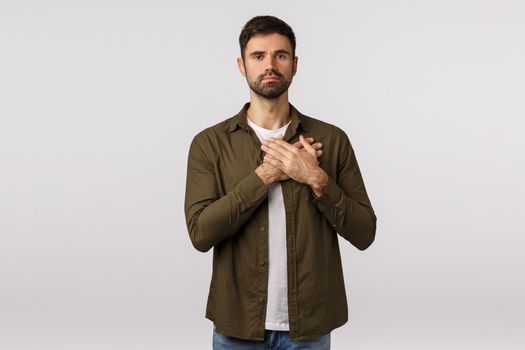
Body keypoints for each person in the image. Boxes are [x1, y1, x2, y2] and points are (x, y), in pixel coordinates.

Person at [184, 15, 377, 350]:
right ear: (241, 66)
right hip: (236, 325)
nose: (269, 65)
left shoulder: (331, 140)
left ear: (295, 64)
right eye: (258, 56)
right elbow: (201, 234)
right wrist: (265, 175)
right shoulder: (210, 143)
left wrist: (315, 178)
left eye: (280, 55)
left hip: (309, 329)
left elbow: (365, 233)